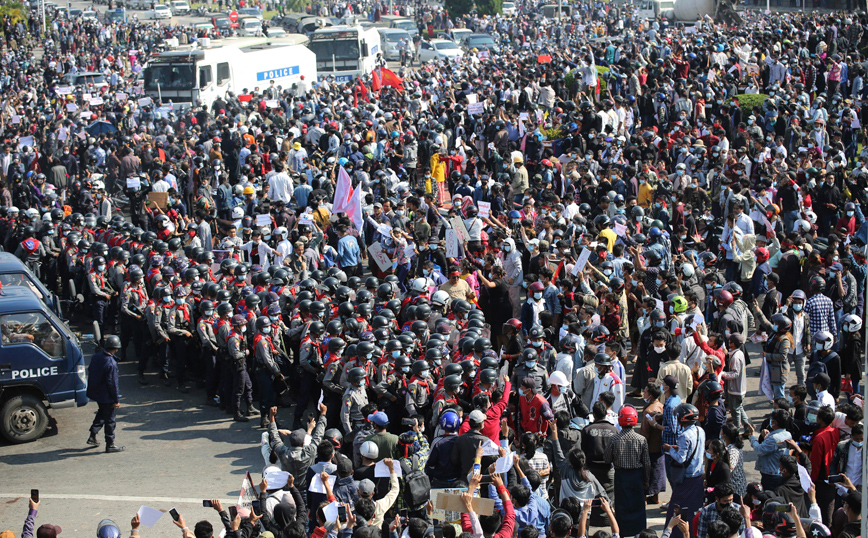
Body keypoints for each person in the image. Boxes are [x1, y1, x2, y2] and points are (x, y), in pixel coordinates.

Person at [604, 405, 651, 536]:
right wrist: (646, 480)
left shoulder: (614, 439)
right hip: (637, 477)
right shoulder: (641, 440)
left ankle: (621, 533)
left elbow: (607, 459)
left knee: (622, 506)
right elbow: (646, 463)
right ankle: (640, 533)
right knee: (638, 507)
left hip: (621, 477)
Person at [663, 403, 705, 538]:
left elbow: (680, 459)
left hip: (686, 480)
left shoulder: (684, 436)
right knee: (694, 511)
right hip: (698, 478)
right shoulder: (700, 430)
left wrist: (669, 449)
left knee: (676, 511)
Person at [86, 335, 125, 453]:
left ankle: (93, 434)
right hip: (106, 395)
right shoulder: (111, 363)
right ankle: (110, 444)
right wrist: (115, 400)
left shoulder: (97, 357)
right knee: (110, 420)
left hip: (97, 393)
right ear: (117, 348)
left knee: (102, 414)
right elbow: (112, 383)